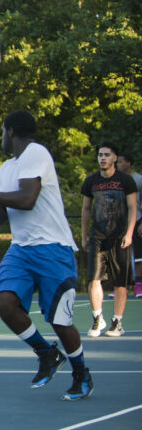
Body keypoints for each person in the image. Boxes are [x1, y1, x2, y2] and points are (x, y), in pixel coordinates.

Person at [0, 110, 92, 400]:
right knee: (3, 301)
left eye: (2, 133)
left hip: (52, 248)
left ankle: (81, 371)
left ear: (10, 131)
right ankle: (46, 353)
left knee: (60, 321)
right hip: (21, 248)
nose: (1, 139)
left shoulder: (36, 153)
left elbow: (27, 199)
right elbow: (6, 215)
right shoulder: (9, 167)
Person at [81, 142, 137, 337]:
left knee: (120, 282)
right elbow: (86, 209)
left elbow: (132, 208)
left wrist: (129, 233)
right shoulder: (91, 181)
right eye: (100, 155)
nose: (102, 158)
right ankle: (98, 318)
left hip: (120, 237)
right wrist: (84, 235)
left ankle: (117, 322)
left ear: (115, 158)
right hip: (98, 237)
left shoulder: (126, 181)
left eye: (107, 155)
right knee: (94, 279)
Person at [116, 151, 142, 298]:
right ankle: (121, 286)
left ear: (129, 163)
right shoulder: (116, 179)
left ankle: (138, 285)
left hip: (136, 220)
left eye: (120, 162)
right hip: (119, 221)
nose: (118, 164)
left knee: (138, 256)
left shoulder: (139, 179)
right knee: (120, 254)